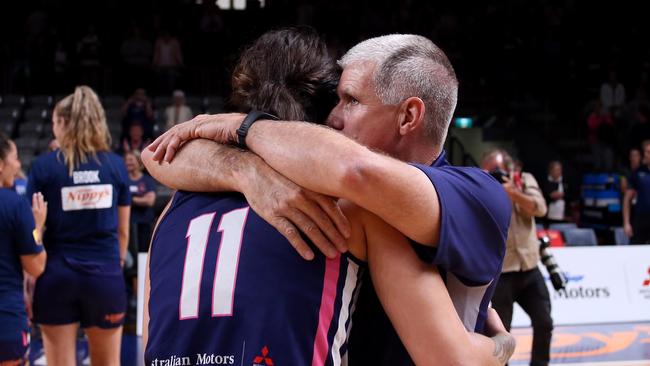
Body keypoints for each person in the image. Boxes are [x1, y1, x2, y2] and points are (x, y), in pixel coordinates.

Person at [144, 28, 514, 366]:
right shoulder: (343, 202)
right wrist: (246, 171)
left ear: (408, 117)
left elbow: (355, 170)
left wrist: (243, 126)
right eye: (333, 101)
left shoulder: (477, 194)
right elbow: (155, 155)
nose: (333, 118)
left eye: (350, 100)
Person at [26, 86, 131, 366]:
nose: (53, 130)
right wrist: (113, 266)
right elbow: (123, 231)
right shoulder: (116, 166)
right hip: (105, 277)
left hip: (56, 277)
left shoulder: (44, 167)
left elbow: (34, 230)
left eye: (53, 123)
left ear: (62, 123)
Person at [481, 148, 553, 366]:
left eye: (497, 171)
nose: (495, 175)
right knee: (502, 334)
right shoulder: (481, 185)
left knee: (544, 322)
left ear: (509, 169)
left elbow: (540, 208)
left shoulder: (524, 180)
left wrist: (513, 192)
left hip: (529, 267)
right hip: (503, 272)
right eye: (489, 171)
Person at [0, 132, 47, 365]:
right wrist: (37, 227)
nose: (18, 165)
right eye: (14, 157)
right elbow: (36, 266)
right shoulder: (14, 204)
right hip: (5, 320)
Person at [623, 140, 650, 243]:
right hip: (640, 219)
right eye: (645, 152)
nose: (646, 155)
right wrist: (626, 223)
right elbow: (627, 199)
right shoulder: (638, 172)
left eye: (649, 152)